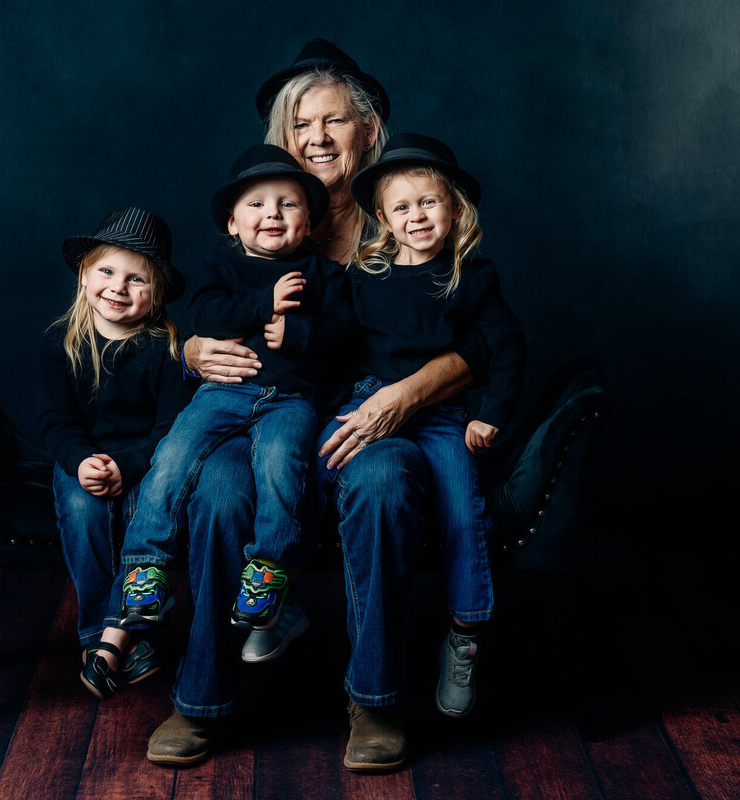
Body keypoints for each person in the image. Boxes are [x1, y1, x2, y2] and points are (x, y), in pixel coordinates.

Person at [150, 39, 487, 771]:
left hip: (375, 415)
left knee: (383, 482)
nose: (317, 140)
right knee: (217, 485)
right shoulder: (265, 211)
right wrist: (190, 350)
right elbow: (204, 308)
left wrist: (403, 395)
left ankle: (374, 700)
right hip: (270, 409)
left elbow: (475, 339)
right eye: (302, 126)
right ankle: (200, 696)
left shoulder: (406, 212)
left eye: (333, 123)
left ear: (369, 130)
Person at [117, 143, 348, 635]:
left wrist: (301, 334)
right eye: (257, 204)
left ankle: (269, 569)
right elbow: (205, 317)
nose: (272, 213)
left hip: (291, 400)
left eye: (288, 205)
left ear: (308, 223)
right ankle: (145, 565)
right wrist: (265, 303)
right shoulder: (219, 269)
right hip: (223, 393)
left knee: (282, 465)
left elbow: (347, 338)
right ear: (231, 222)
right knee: (173, 455)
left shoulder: (326, 274)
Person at [341, 133, 524, 718]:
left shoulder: (472, 276)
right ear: (383, 218)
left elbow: (507, 347)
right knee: (312, 465)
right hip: (370, 401)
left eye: (429, 202)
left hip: (442, 416)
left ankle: (465, 635)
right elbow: (332, 344)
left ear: (455, 209)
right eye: (403, 206)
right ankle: (278, 593)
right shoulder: (364, 278)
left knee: (463, 512)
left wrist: (490, 413)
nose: (417, 216)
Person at [38, 206, 190, 700]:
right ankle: (117, 640)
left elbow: (171, 430)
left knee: (140, 514)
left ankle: (103, 645)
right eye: (106, 271)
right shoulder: (61, 344)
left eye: (136, 279)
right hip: (80, 460)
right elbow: (56, 423)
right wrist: (82, 461)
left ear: (157, 294)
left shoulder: (168, 349)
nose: (117, 287)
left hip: (144, 464)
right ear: (84, 276)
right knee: (82, 510)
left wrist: (126, 466)